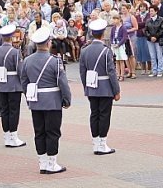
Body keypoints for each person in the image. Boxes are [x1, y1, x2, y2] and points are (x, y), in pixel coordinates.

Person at [21, 27, 71, 175]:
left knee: (39, 131)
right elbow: (62, 82)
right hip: (52, 101)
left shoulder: (27, 60)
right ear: (48, 43)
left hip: (35, 101)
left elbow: (24, 82)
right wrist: (67, 99)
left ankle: (42, 162)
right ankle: (51, 163)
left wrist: (29, 96)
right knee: (53, 131)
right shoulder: (55, 61)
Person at [79, 19, 119, 155]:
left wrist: (86, 87)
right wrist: (116, 90)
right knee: (104, 115)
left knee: (94, 114)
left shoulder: (84, 51)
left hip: (91, 87)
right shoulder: (106, 51)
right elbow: (111, 72)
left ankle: (95, 143)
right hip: (105, 87)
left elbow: (82, 72)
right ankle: (102, 143)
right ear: (102, 34)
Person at [0, 25, 26, 149]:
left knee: (4, 110)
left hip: (2, 84)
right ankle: (13, 136)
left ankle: (6, 136)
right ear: (11, 37)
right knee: (14, 110)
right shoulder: (15, 52)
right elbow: (20, 70)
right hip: (14, 84)